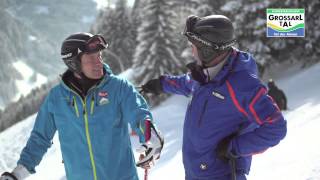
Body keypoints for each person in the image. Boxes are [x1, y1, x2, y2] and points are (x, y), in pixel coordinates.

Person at [141, 15, 287, 180]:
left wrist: (234, 147)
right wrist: (159, 84)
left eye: (193, 46)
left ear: (207, 50)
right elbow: (184, 83)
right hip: (194, 173)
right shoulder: (203, 75)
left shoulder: (241, 85)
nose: (191, 51)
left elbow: (276, 127)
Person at [0, 32, 163, 180]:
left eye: (99, 56)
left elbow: (139, 114)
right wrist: (18, 174)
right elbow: (40, 138)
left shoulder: (119, 88)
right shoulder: (57, 99)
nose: (99, 62)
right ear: (74, 63)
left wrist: (150, 137)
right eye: (91, 58)